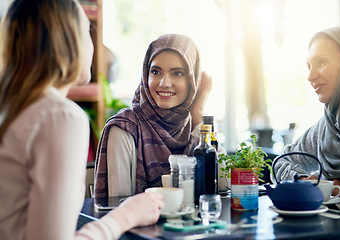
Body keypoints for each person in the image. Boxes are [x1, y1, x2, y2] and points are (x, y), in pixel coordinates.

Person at [0, 1, 163, 239]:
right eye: (88, 30)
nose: (95, 45)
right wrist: (125, 216)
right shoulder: (59, 116)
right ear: (66, 39)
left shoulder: (12, 108)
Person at [94, 34, 212, 197]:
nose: (164, 83)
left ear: (193, 80)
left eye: (177, 73)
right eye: (156, 71)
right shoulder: (125, 129)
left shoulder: (196, 126)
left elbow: (219, 185)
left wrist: (198, 114)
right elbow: (118, 205)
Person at [273, 25, 340, 202]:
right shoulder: (327, 127)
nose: (310, 76)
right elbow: (281, 162)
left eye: (322, 62)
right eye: (309, 66)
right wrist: (305, 181)